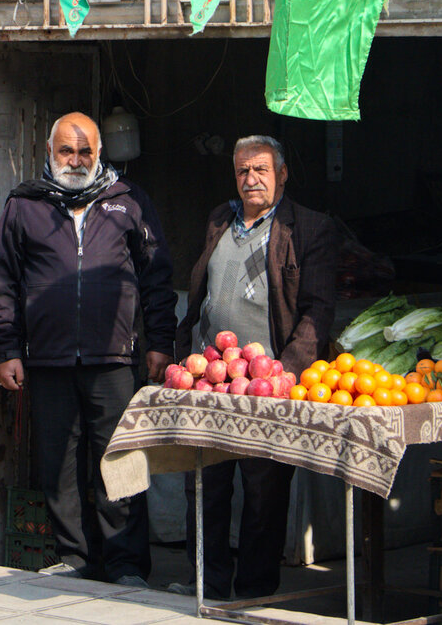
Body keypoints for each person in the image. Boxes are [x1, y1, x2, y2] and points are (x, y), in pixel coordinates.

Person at [0, 111, 177, 588]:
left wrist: (160, 342)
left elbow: (156, 277)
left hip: (113, 359)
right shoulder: (25, 204)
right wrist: (8, 348)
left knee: (121, 461)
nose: (75, 160)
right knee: (59, 464)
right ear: (49, 153)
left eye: (85, 151)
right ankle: (74, 559)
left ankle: (126, 564)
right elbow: (4, 284)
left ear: (99, 153)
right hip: (47, 360)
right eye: (66, 151)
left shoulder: (128, 202)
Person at [172, 134, 338, 600]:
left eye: (261, 170)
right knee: (205, 486)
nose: (251, 179)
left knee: (263, 494)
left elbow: (317, 312)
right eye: (243, 171)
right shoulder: (219, 220)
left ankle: (255, 592)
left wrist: (284, 372)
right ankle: (206, 582)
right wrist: (183, 348)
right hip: (211, 380)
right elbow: (200, 293)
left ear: (282, 174)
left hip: (268, 386)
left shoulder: (308, 228)